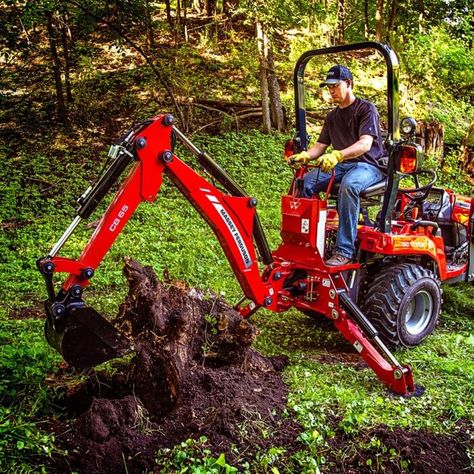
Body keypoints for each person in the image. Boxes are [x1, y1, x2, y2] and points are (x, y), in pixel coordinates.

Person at [289, 64, 385, 266]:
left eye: (335, 85)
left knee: (349, 186)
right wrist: (306, 156)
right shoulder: (332, 116)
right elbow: (321, 145)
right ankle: (307, 242)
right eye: (328, 87)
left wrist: (338, 155)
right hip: (342, 165)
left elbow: (365, 144)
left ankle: (344, 250)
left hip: (367, 166)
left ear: (348, 83)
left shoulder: (366, 109)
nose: (331, 90)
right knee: (304, 183)